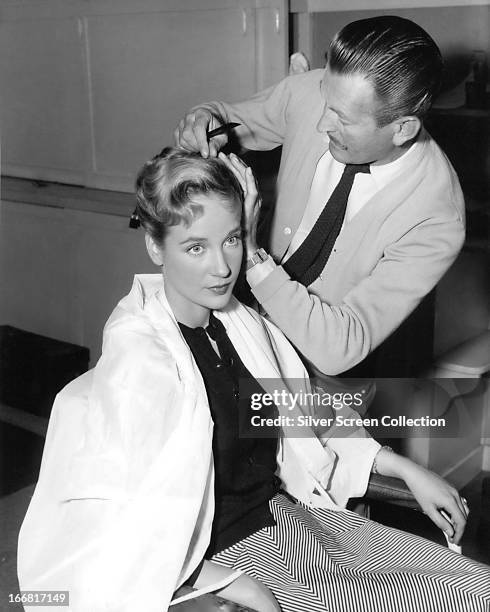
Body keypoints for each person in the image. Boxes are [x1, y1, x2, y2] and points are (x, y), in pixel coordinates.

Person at [17, 150, 489, 612]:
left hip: (292, 521)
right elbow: (125, 518)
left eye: (232, 239)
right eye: (195, 247)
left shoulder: (239, 323)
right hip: (217, 555)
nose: (222, 267)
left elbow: (307, 417)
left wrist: (405, 468)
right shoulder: (141, 358)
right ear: (155, 246)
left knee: (474, 588)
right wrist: (229, 582)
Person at [174, 16, 465, 378]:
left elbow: (340, 347)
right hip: (238, 330)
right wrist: (205, 122)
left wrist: (251, 255)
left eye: (341, 118)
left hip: (319, 382)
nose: (320, 123)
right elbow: (229, 120)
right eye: (325, 101)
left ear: (402, 129)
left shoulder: (436, 217)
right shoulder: (318, 92)